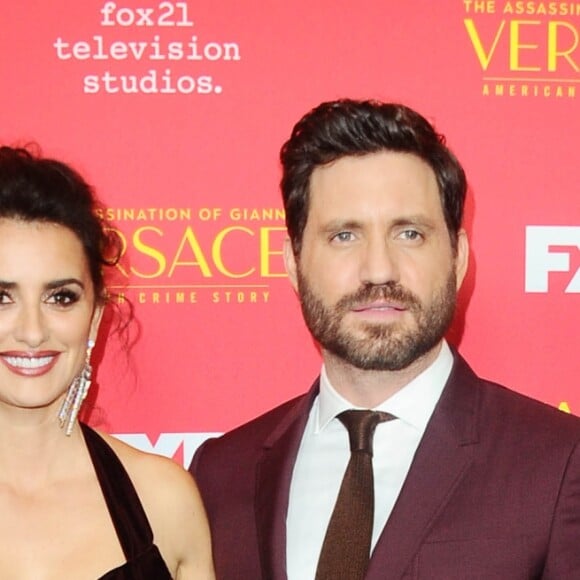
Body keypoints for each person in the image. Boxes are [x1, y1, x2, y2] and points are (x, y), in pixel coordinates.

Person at [190, 99, 580, 579]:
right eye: (344, 236)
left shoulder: (561, 463)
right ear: (293, 262)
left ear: (458, 258)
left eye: (410, 233)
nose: (379, 270)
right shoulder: (221, 472)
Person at [0, 145, 215, 579]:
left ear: (95, 315)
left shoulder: (162, 499)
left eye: (60, 298)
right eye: (1, 298)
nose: (32, 331)